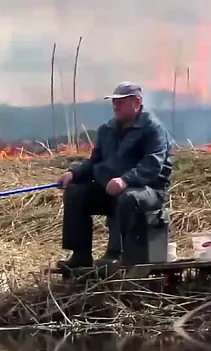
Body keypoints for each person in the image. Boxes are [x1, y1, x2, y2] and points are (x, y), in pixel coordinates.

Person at [57, 82, 172, 269]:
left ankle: (116, 254)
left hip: (149, 191)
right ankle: (80, 255)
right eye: (114, 102)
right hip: (111, 189)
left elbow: (152, 164)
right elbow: (95, 162)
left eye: (121, 102)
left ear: (136, 103)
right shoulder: (107, 130)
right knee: (75, 194)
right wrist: (73, 173)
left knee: (126, 198)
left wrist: (126, 180)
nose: (115, 106)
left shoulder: (153, 129)